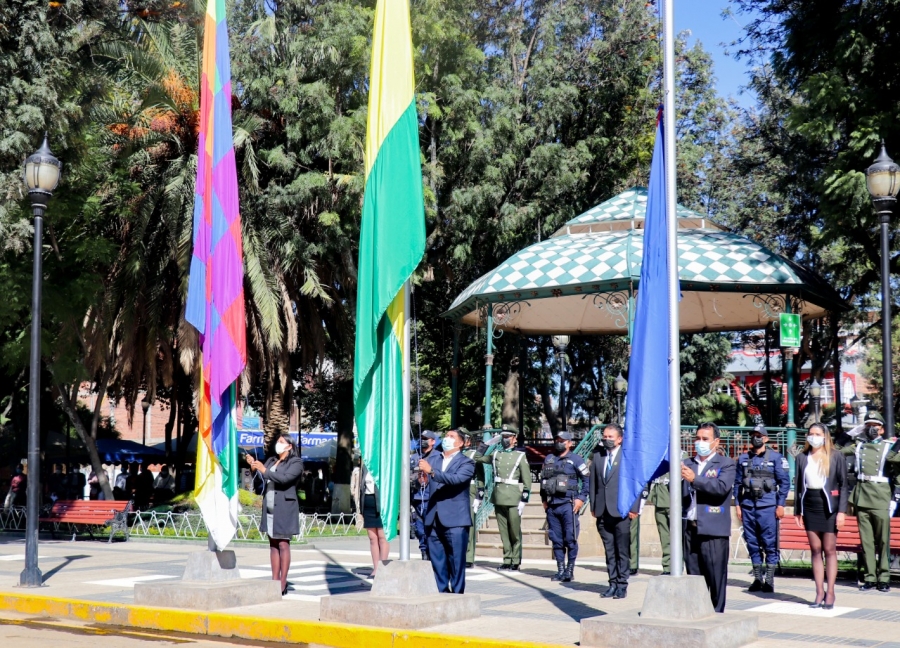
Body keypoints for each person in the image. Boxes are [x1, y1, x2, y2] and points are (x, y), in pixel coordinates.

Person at [839, 411, 900, 591]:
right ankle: (870, 577)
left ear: (882, 430)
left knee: (883, 540)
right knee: (866, 541)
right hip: (862, 495)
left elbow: (896, 465)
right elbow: (835, 451)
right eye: (868, 425)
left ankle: (884, 577)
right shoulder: (859, 446)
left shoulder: (889, 446)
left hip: (881, 497)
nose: (872, 428)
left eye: (876, 426)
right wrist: (849, 434)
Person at [681, 422, 735, 613]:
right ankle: (697, 613)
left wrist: (695, 480)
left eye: (705, 439)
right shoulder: (687, 463)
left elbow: (721, 488)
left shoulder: (725, 463)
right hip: (690, 527)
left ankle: (717, 614)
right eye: (697, 438)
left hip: (713, 529)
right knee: (694, 577)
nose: (700, 442)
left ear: (715, 442)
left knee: (715, 576)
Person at [795, 422, 848, 608]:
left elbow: (843, 484)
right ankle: (819, 592)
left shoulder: (835, 456)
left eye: (817, 434)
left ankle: (831, 592)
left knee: (829, 549)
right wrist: (797, 511)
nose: (813, 437)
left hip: (829, 506)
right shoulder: (802, 457)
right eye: (811, 434)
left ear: (825, 436)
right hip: (810, 504)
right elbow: (799, 487)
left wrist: (841, 511)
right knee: (815, 550)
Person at [734, 424, 790, 593]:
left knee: (769, 543)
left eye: (759, 435)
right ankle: (758, 579)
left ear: (765, 438)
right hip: (748, 506)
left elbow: (784, 483)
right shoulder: (743, 459)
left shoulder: (777, 458)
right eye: (753, 435)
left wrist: (780, 504)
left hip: (768, 507)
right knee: (752, 543)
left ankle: (769, 580)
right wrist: (737, 505)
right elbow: (737, 484)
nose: (756, 438)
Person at [419, 428, 476, 593]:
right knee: (437, 560)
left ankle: (457, 595)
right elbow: (429, 480)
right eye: (446, 436)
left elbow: (457, 479)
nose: (447, 438)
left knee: (456, 560)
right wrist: (423, 479)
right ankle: (441, 592)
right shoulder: (435, 459)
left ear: (460, 443)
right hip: (433, 517)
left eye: (451, 436)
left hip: (455, 519)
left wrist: (432, 472)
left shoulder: (466, 462)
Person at [247, 434, 304, 596]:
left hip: (285, 507)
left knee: (283, 544)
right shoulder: (271, 460)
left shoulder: (296, 463)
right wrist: (254, 468)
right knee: (273, 544)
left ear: (289, 446)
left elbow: (285, 479)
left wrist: (264, 470)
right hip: (270, 507)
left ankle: (283, 582)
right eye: (278, 441)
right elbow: (261, 481)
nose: (278, 444)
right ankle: (274, 580)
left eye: (281, 442)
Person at [589, 423, 640, 599]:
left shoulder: (628, 457)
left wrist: (634, 507)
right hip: (602, 510)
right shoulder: (598, 455)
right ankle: (612, 583)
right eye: (605, 436)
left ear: (620, 439)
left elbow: (636, 483)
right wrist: (594, 506)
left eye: (610, 437)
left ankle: (622, 585)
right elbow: (593, 482)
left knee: (622, 550)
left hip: (622, 510)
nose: (606, 439)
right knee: (609, 550)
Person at [474, 424, 532, 571]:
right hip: (498, 496)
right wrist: (488, 443)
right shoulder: (496, 454)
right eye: (503, 437)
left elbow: (527, 480)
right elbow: (477, 457)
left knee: (514, 530)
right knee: (503, 530)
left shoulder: (520, 456)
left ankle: (515, 559)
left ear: (514, 438)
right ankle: (507, 559)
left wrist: (524, 499)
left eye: (508, 437)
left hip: (513, 496)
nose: (505, 439)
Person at [539, 431, 589, 582]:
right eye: (557, 440)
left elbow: (587, 480)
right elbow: (543, 480)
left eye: (563, 440)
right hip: (552, 505)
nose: (559, 442)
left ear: (569, 443)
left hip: (569, 504)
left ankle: (570, 570)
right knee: (556, 538)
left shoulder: (576, 459)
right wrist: (544, 500)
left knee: (570, 538)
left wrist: (581, 499)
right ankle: (560, 569)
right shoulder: (549, 458)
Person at [357, 454, 389, 579]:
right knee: (372, 537)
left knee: (382, 537)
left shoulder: (384, 466)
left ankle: (383, 567)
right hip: (368, 503)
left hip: (381, 504)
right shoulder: (365, 467)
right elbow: (361, 488)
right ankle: (375, 568)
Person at [412, 430, 442, 560]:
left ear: (433, 441)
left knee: (432, 528)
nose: (422, 440)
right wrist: (415, 480)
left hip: (432, 497)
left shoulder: (438, 456)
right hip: (417, 498)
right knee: (419, 529)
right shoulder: (414, 457)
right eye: (421, 438)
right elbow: (407, 475)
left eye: (426, 438)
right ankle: (423, 551)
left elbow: (441, 475)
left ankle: (432, 553)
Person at [460, 428, 484, 568]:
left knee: (469, 524)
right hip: (456, 490)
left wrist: (479, 496)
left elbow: (480, 476)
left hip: (470, 490)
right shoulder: (453, 454)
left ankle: (468, 557)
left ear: (467, 441)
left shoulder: (474, 454)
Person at [647, 470, 671, 575]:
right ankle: (668, 566)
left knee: (677, 537)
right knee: (664, 536)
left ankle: (676, 565)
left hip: (673, 501)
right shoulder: (658, 456)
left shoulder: (681, 456)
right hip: (659, 500)